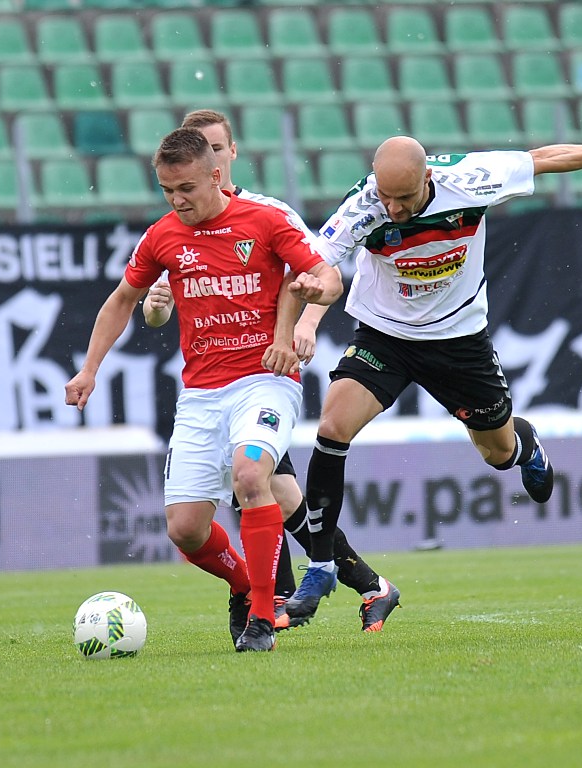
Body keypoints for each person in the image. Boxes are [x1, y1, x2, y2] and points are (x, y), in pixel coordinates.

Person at [285, 127, 582, 624]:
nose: (393, 208)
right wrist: (305, 322)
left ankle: (524, 446)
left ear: (428, 179)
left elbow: (541, 158)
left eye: (404, 197)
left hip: (458, 341)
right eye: (386, 195)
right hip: (385, 336)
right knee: (332, 427)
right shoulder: (364, 206)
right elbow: (315, 270)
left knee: (496, 453)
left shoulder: (471, 179)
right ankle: (322, 565)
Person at [65, 127, 343, 653]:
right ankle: (245, 585)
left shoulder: (265, 220)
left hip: (264, 382)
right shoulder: (161, 237)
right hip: (201, 395)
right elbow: (122, 300)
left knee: (251, 475)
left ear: (216, 175)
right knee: (185, 530)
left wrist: (315, 289)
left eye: (187, 188)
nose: (177, 200)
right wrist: (89, 370)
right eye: (167, 190)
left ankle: (263, 618)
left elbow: (329, 277)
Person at [142, 109, 401, 633]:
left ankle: (272, 599)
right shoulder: (179, 226)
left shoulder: (268, 213)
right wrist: (155, 308)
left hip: (265, 371)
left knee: (263, 489)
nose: (211, 160)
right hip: (214, 383)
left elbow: (313, 274)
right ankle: (358, 585)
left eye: (218, 148)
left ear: (228, 156)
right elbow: (157, 308)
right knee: (271, 495)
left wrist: (302, 327)